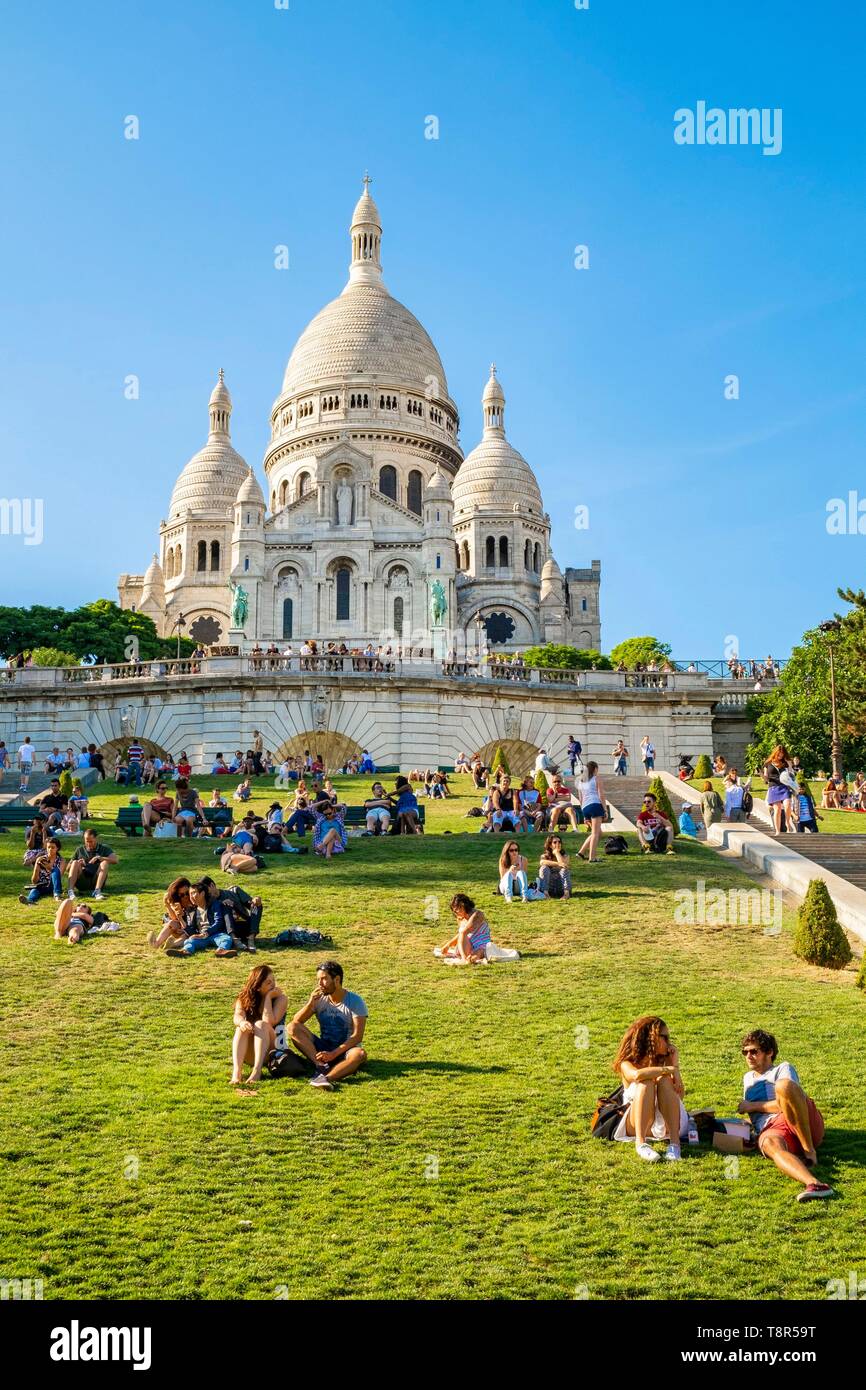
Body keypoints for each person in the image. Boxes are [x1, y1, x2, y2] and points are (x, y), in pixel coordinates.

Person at [737, 1029, 833, 1202]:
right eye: (745, 1052)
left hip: (800, 1121)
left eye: (754, 1051)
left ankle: (809, 1151)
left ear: (769, 1052)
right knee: (769, 1144)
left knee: (783, 1086)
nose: (748, 1056)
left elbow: (787, 1103)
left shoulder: (782, 1068)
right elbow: (759, 1115)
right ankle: (814, 1183)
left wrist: (750, 1106)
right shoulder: (747, 1078)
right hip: (773, 1128)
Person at [611, 1016, 688, 1161]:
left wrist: (675, 1066)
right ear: (650, 1038)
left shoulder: (667, 1061)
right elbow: (637, 1075)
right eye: (664, 1037)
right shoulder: (626, 1063)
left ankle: (675, 1144)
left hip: (668, 1124)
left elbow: (680, 1096)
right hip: (639, 1124)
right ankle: (641, 1143)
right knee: (646, 1082)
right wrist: (669, 1069)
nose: (668, 1042)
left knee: (664, 1081)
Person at [287, 961, 368, 1090]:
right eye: (318, 979)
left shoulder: (355, 1001)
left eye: (324, 979)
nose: (319, 984)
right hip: (324, 1047)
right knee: (292, 1026)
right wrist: (310, 1003)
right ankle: (320, 1066)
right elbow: (296, 1023)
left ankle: (325, 1078)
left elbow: (357, 1037)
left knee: (360, 1054)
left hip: (346, 1050)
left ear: (337, 979)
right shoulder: (319, 999)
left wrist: (334, 1054)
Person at [231, 965, 288, 1084]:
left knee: (261, 1025)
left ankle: (257, 1071)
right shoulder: (244, 998)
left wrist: (268, 997)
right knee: (240, 1028)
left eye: (273, 981)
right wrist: (242, 1022)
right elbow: (237, 1016)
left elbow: (268, 1022)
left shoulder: (281, 999)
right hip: (252, 1051)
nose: (273, 985)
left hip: (275, 1051)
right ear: (257, 986)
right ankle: (237, 1073)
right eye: (268, 982)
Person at [171, 878, 239, 957]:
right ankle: (185, 951)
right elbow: (191, 929)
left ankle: (221, 951)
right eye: (190, 894)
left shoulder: (215, 905)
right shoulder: (191, 911)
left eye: (193, 893)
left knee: (226, 939)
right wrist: (180, 918)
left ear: (202, 893)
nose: (191, 897)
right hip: (201, 937)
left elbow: (218, 922)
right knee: (190, 941)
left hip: (215, 934)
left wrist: (205, 933)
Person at [436, 893, 491, 963]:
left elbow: (464, 933)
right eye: (454, 910)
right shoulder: (460, 918)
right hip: (468, 945)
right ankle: (467, 958)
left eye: (457, 909)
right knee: (462, 939)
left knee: (478, 953)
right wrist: (448, 945)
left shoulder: (477, 915)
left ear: (463, 906)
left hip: (480, 945)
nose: (455, 912)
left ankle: (465, 959)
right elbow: (460, 935)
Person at [147, 877, 199, 950]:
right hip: (180, 929)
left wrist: (184, 929)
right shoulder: (178, 903)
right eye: (182, 895)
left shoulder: (195, 902)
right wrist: (167, 905)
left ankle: (172, 945)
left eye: (187, 893)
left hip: (191, 932)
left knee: (186, 934)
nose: (186, 897)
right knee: (172, 923)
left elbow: (196, 925)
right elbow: (173, 919)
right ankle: (156, 943)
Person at [67, 829, 118, 900]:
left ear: (96, 839)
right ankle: (70, 892)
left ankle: (97, 891)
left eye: (91, 841)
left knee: (104, 863)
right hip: (82, 881)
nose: (89, 844)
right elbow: (68, 868)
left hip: (96, 880)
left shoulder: (104, 849)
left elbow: (115, 860)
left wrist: (101, 858)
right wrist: (79, 864)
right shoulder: (80, 850)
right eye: (86, 841)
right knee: (75, 862)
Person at [575, 761, 606, 862]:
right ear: (595, 769)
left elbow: (581, 799)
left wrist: (584, 815)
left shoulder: (581, 782)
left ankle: (581, 852)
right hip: (595, 804)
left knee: (598, 833)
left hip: (585, 807)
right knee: (595, 834)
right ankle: (592, 858)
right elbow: (601, 795)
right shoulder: (597, 779)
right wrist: (605, 809)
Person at [19, 837, 64, 905]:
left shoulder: (61, 861)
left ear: (57, 848)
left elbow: (58, 876)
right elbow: (34, 881)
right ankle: (29, 900)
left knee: (56, 869)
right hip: (42, 885)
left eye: (53, 847)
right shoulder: (40, 859)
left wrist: (49, 868)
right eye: (48, 847)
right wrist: (37, 866)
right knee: (35, 890)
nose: (50, 849)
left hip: (53, 886)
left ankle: (57, 895)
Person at [764, 744, 792, 834]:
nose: (781, 756)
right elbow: (765, 778)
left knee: (787, 804)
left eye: (782, 754)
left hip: (784, 786)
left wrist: (790, 765)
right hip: (773, 787)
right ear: (775, 753)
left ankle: (788, 823)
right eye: (779, 754)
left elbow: (791, 774)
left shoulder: (785, 763)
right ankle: (777, 830)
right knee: (777, 809)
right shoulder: (767, 763)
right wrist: (761, 775)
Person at [538, 834, 571, 899]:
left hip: (561, 887)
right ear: (550, 845)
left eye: (559, 842)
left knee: (564, 869)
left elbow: (563, 864)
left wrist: (556, 853)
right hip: (549, 887)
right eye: (555, 842)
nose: (558, 844)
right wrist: (558, 864)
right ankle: (545, 894)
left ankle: (566, 894)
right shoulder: (544, 856)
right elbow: (542, 862)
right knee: (544, 868)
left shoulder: (566, 856)